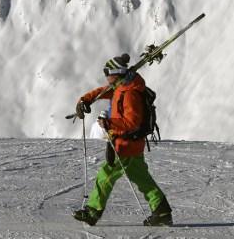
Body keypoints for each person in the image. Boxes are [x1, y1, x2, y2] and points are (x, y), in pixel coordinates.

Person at [72, 53, 172, 226]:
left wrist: (108, 122)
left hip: (126, 144)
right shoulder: (120, 87)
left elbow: (132, 122)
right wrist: (84, 100)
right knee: (141, 178)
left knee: (106, 176)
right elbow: (102, 92)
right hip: (131, 145)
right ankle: (161, 211)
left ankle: (92, 211)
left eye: (107, 72)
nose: (106, 76)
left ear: (116, 73)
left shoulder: (130, 93)